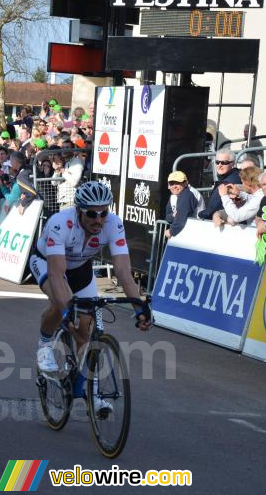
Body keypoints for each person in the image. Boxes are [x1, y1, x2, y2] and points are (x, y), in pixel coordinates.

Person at [28, 181, 151, 412]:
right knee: (61, 303)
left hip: (81, 267)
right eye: (92, 214)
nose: (98, 219)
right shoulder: (60, 223)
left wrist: (139, 308)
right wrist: (67, 309)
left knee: (85, 332)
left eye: (103, 213)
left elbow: (123, 271)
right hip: (47, 262)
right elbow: (56, 274)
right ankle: (44, 346)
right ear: (79, 211)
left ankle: (92, 395)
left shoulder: (113, 224)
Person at [199, 149, 242, 220]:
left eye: (224, 162)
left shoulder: (227, 183)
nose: (219, 165)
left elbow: (212, 209)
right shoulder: (234, 176)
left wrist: (200, 215)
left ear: (233, 164)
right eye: (217, 162)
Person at [164, 171, 199, 239]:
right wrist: (173, 216)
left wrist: (171, 232)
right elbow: (168, 217)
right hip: (184, 233)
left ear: (185, 183)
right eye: (172, 183)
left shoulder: (188, 194)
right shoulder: (174, 195)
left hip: (194, 233)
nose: (174, 186)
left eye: (178, 183)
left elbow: (181, 221)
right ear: (168, 186)